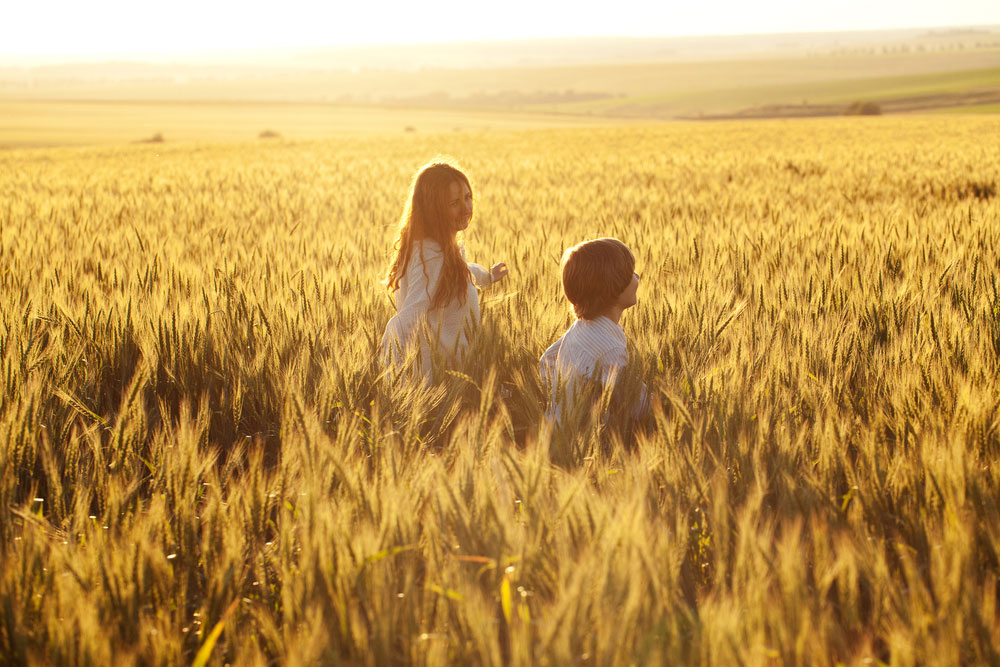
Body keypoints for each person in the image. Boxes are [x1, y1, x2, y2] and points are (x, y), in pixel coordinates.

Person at [380, 159, 508, 379]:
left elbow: (459, 270)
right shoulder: (431, 255)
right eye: (454, 203)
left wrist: (487, 276)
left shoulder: (440, 248)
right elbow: (412, 312)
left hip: (457, 371)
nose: (466, 207)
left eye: (468, 197)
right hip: (442, 377)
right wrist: (390, 364)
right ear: (434, 210)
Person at [539, 237, 649, 428]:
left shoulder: (580, 327)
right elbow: (637, 405)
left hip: (557, 432)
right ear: (612, 286)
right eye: (630, 273)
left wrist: (564, 397)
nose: (637, 277)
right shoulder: (609, 348)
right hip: (584, 446)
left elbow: (546, 360)